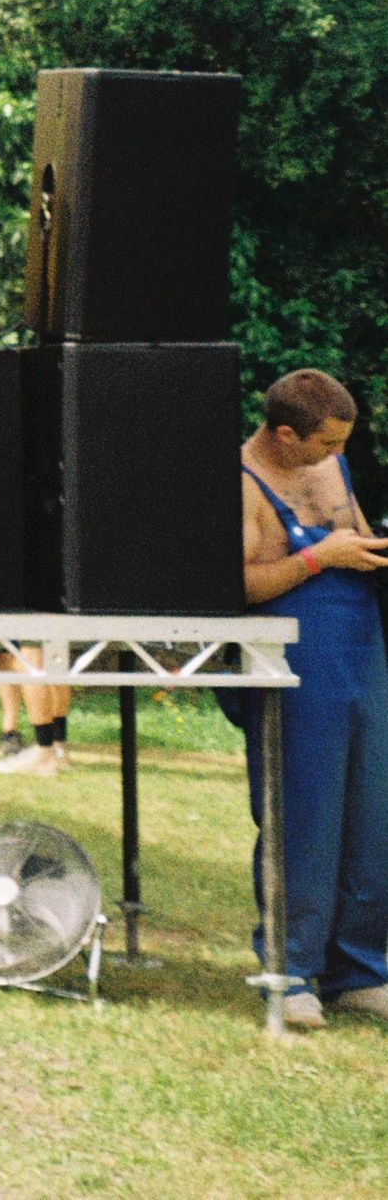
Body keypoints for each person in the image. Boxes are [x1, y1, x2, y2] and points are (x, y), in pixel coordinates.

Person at [228, 367, 388, 1030]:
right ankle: (291, 968)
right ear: (285, 433)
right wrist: (321, 559)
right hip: (293, 647)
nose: (332, 457)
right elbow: (237, 587)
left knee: (372, 811)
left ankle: (360, 968)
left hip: (359, 642)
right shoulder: (241, 481)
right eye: (323, 444)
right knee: (307, 811)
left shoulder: (331, 465)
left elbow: (356, 540)